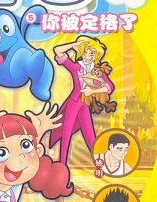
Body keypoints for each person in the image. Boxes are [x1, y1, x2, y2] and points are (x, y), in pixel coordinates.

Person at [49, 36, 114, 164]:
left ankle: (99, 163)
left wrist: (92, 91)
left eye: (91, 53)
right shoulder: (76, 67)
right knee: (66, 133)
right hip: (74, 102)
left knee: (90, 134)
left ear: (96, 56)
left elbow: (109, 87)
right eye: (85, 52)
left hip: (85, 103)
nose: (86, 55)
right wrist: (73, 45)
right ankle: (62, 165)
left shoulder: (98, 71)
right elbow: (57, 51)